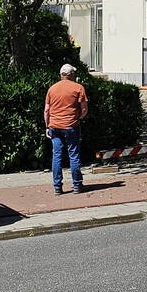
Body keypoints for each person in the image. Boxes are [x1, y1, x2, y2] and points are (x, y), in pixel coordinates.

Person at [45, 64, 88, 195]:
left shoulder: (52, 89)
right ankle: (77, 185)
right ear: (71, 75)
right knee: (73, 155)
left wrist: (47, 126)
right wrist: (77, 118)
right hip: (71, 126)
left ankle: (57, 187)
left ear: (61, 75)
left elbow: (47, 110)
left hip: (54, 126)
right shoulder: (78, 88)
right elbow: (84, 109)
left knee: (57, 155)